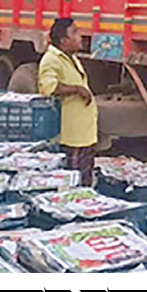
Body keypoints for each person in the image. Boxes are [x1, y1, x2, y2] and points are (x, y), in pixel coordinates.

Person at [37, 18, 97, 185]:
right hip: (71, 137)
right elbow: (49, 87)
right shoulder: (51, 59)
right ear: (64, 41)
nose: (80, 36)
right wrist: (77, 89)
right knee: (73, 183)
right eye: (75, 33)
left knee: (85, 181)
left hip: (83, 134)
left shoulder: (71, 57)